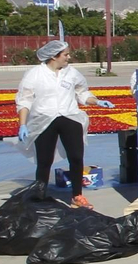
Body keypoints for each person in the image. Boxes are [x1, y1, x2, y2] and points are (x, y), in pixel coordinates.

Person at [15, 32, 113, 208]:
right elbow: (24, 99)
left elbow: (82, 93)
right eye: (66, 54)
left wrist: (97, 101)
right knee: (44, 161)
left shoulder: (71, 73)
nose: (69, 57)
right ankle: (40, 197)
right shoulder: (34, 74)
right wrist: (23, 124)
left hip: (70, 117)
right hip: (44, 120)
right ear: (54, 56)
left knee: (76, 157)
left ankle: (77, 196)